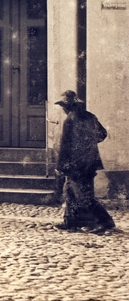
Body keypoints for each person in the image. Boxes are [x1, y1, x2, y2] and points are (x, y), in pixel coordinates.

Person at [54, 90, 116, 233]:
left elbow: (65, 146)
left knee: (83, 197)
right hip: (89, 162)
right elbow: (102, 134)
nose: (63, 108)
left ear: (68, 105)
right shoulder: (90, 116)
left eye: (63, 105)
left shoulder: (70, 119)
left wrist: (60, 166)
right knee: (69, 191)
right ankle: (70, 222)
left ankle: (105, 221)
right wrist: (89, 145)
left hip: (75, 164)